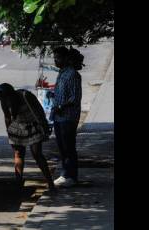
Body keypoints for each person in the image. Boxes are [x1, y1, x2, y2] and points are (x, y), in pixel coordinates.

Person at [0, 83, 55, 191]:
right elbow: (7, 117)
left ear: (11, 95)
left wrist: (44, 126)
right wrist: (9, 132)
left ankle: (50, 183)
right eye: (0, 99)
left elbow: (39, 111)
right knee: (18, 154)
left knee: (37, 154)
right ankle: (18, 184)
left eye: (4, 98)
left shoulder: (25, 95)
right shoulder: (4, 102)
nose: (2, 101)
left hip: (33, 125)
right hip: (17, 126)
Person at [50, 46, 82, 188]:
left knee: (69, 147)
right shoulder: (61, 73)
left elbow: (75, 98)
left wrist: (61, 106)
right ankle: (65, 174)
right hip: (58, 117)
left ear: (65, 58)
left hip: (68, 117)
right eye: (55, 58)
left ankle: (72, 176)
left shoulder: (72, 74)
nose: (55, 61)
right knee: (62, 148)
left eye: (58, 58)